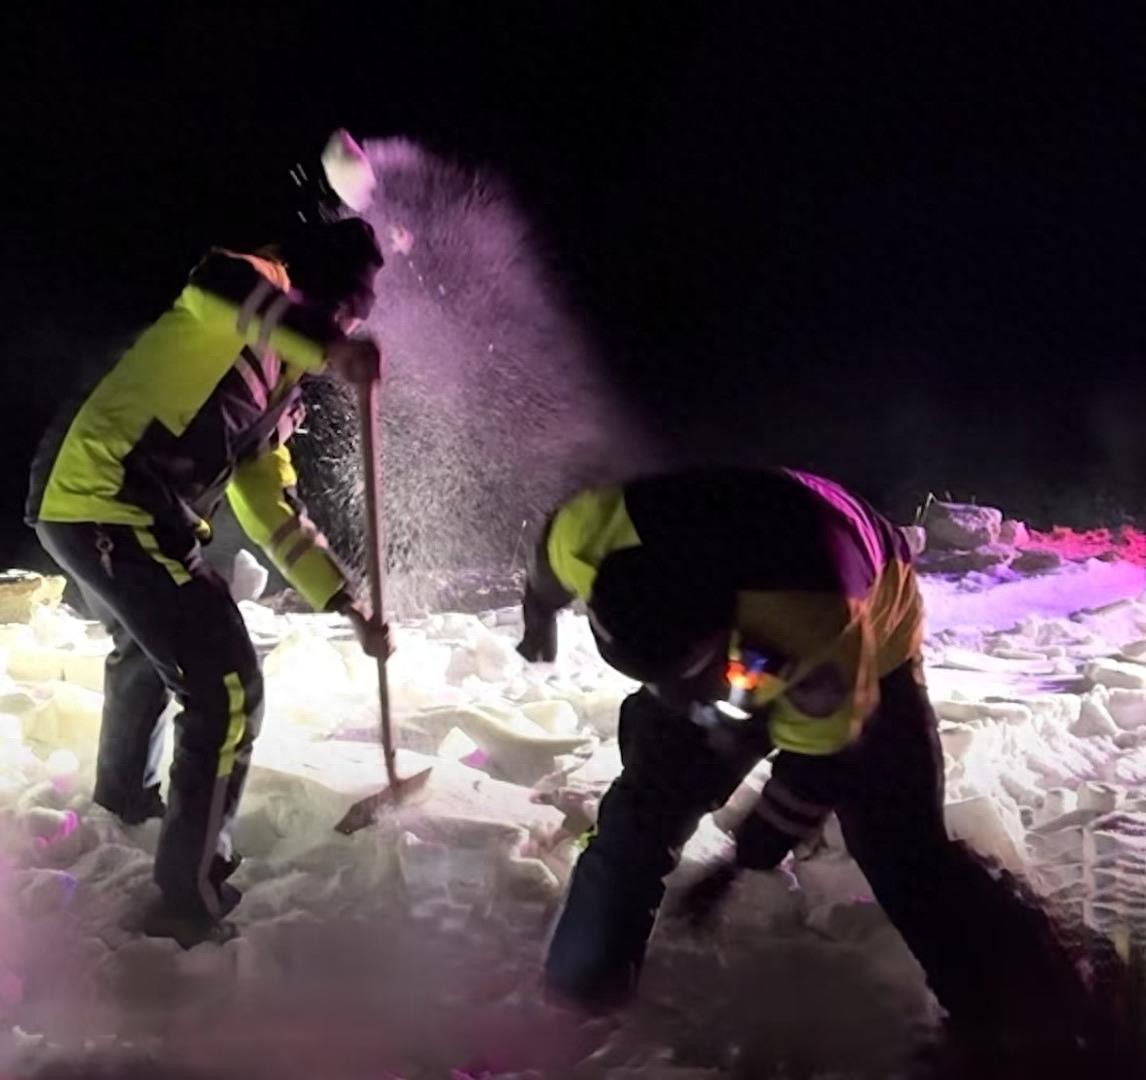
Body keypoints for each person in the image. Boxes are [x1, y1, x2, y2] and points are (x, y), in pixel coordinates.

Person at [517, 466, 1112, 1055]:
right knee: (638, 819)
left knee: (899, 850)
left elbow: (820, 761)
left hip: (869, 631)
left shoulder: (813, 610)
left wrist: (741, 859)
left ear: (726, 625)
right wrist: (539, 612)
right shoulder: (589, 535)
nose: (691, 701)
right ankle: (579, 1008)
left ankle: (1022, 1014)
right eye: (659, 679)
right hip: (736, 607)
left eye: (698, 676)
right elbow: (549, 561)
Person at [26, 217, 389, 947]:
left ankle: (126, 801)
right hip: (107, 497)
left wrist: (341, 597)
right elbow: (216, 284)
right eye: (349, 309)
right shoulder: (251, 285)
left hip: (115, 511)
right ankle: (186, 901)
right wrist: (331, 342)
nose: (350, 326)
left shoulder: (280, 383)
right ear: (322, 293)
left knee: (153, 651)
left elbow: (268, 503)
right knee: (226, 687)